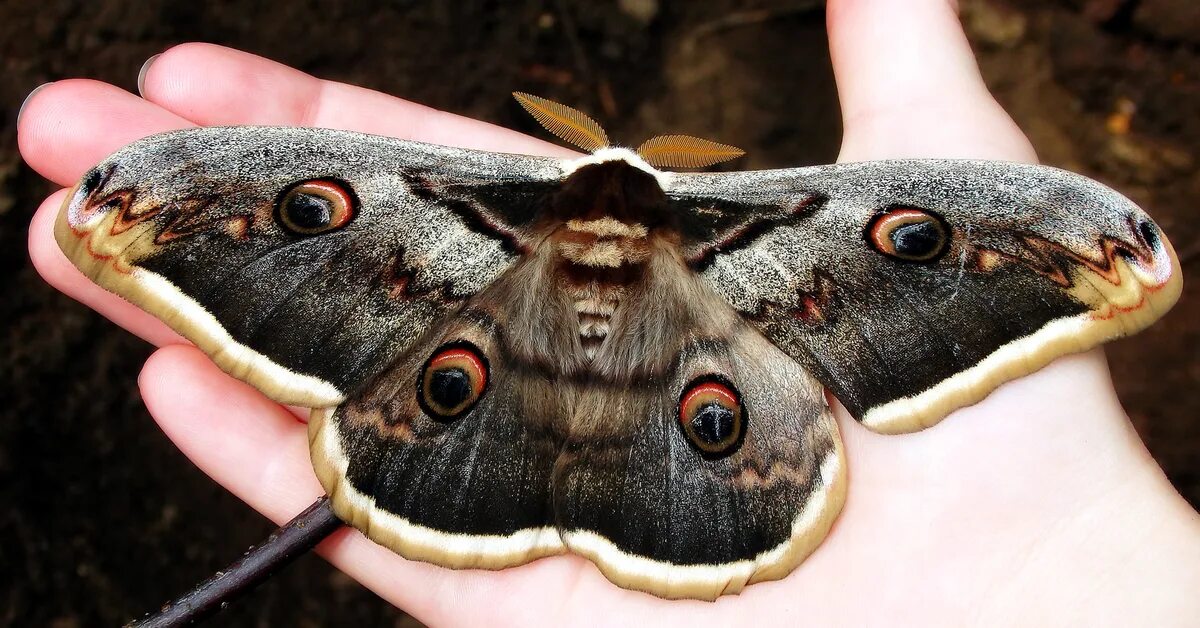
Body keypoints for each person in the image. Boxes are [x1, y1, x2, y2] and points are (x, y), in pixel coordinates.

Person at [18, 0, 1199, 624]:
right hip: (704, 362)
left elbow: (959, 231)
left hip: (485, 350)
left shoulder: (442, 203)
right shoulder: (778, 225)